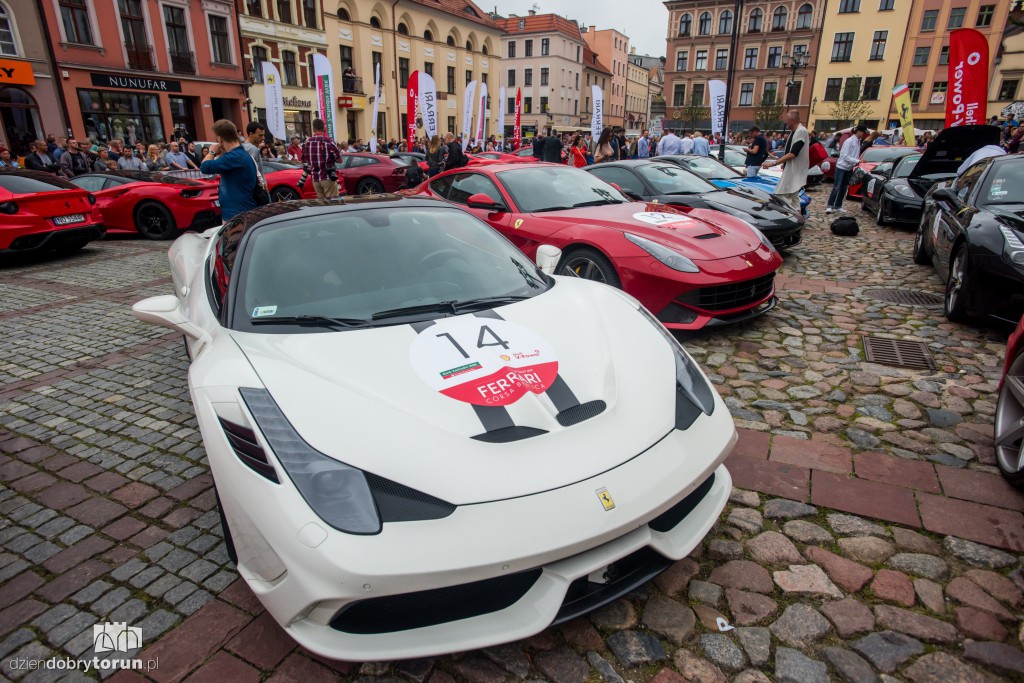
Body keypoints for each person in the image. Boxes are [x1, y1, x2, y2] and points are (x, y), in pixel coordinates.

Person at [201, 119, 258, 220]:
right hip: (243, 210)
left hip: (236, 214)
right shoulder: (241, 154)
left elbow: (204, 167)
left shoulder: (233, 157)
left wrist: (212, 152)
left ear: (219, 138)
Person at [762, 110, 809, 213]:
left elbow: (793, 152)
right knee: (793, 196)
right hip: (792, 168)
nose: (785, 123)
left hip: (795, 170)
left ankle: (789, 216)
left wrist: (773, 163)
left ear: (792, 120)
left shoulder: (801, 131)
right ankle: (797, 218)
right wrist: (784, 163)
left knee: (782, 193)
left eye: (787, 120)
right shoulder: (795, 132)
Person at [826, 124, 867, 214]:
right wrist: (857, 161)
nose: (863, 135)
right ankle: (830, 205)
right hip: (841, 167)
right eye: (863, 132)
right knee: (837, 187)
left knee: (844, 188)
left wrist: (856, 162)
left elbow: (855, 154)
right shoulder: (849, 141)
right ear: (859, 132)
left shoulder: (858, 142)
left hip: (849, 168)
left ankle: (838, 205)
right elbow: (844, 156)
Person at [300, 117, 342, 199]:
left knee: (322, 203)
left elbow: (303, 160)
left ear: (313, 129)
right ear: (324, 128)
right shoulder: (329, 141)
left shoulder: (306, 143)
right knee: (333, 202)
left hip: (315, 178)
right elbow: (339, 160)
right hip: (327, 177)